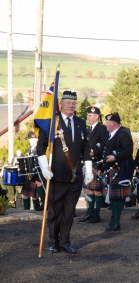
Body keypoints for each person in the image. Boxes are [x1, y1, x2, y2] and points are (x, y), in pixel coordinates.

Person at [36, 90, 93, 254]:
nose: (71, 105)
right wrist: (44, 167)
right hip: (56, 175)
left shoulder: (81, 123)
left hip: (75, 176)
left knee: (69, 212)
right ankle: (52, 241)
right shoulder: (51, 122)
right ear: (61, 103)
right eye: (68, 103)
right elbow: (41, 147)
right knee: (55, 211)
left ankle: (65, 241)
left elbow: (86, 149)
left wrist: (88, 169)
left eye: (74, 103)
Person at [101, 113, 134, 231]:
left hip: (121, 169)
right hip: (113, 169)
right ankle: (114, 221)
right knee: (114, 197)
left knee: (118, 197)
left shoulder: (123, 133)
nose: (106, 125)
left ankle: (115, 222)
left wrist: (115, 157)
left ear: (114, 124)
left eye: (108, 123)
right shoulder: (111, 133)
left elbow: (128, 150)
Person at [79, 106, 108, 224]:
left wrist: (95, 152)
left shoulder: (102, 128)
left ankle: (96, 214)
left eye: (90, 115)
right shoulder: (87, 129)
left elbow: (105, 145)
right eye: (87, 116)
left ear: (97, 116)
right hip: (87, 162)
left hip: (97, 162)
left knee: (97, 190)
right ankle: (89, 213)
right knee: (89, 190)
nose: (88, 117)